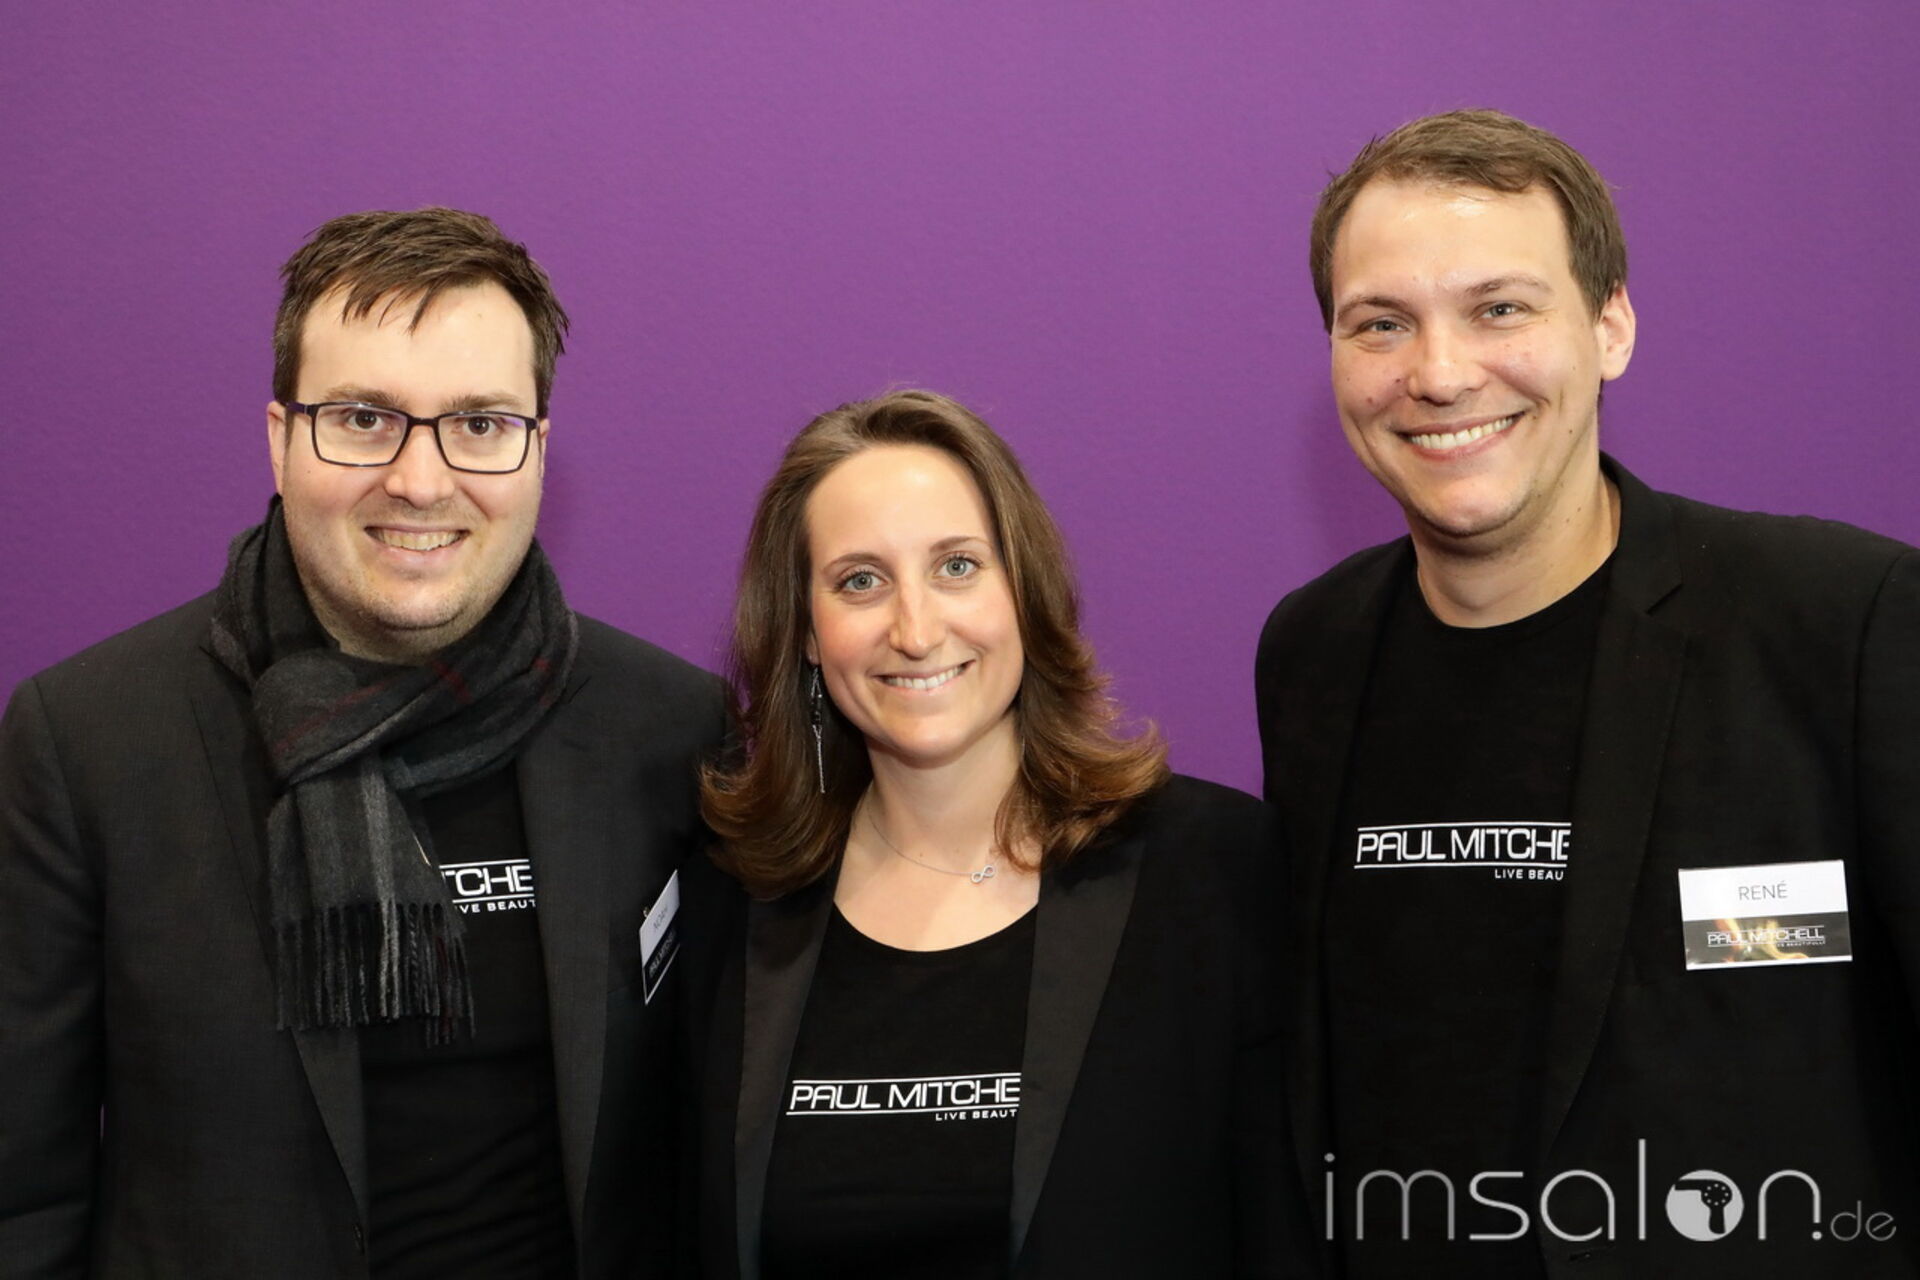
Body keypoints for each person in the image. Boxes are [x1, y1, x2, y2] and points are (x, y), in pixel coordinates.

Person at [0, 207, 725, 1278]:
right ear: (280, 436)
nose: (421, 480)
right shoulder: (90, 742)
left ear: (536, 448)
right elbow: (22, 1197)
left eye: (480, 423)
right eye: (362, 417)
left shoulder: (668, 730)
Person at [1256, 109, 1920, 1275]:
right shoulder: (1311, 651)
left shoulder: (1842, 621)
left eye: (1501, 308)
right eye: (1381, 323)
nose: (1440, 373)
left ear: (1610, 326)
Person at [682, 390, 1306, 1278]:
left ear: (1024, 589)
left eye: (957, 566)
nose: (915, 629)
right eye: (860, 581)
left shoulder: (1211, 870)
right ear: (807, 633)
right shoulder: (730, 904)